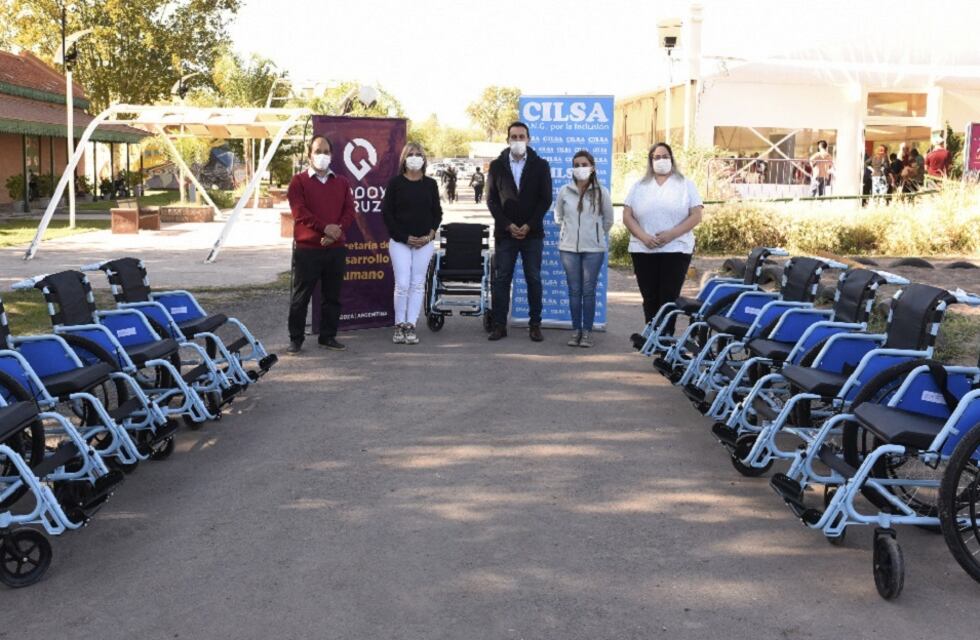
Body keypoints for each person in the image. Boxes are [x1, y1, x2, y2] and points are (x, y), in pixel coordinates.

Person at [285, 135, 355, 354]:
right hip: (308, 251)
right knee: (301, 297)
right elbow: (299, 212)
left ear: (332, 155)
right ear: (309, 155)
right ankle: (296, 339)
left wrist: (336, 232)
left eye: (326, 151)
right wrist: (325, 228)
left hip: (335, 249)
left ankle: (328, 337)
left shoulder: (342, 182)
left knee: (332, 297)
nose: (322, 155)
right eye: (317, 151)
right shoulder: (298, 182)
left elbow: (349, 211)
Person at [622, 142, 703, 329]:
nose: (661, 160)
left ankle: (665, 337)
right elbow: (627, 216)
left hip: (676, 249)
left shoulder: (685, 184)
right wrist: (643, 237)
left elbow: (696, 215)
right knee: (649, 296)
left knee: (668, 297)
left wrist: (671, 234)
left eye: (665, 156)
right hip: (643, 249)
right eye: (657, 157)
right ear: (650, 161)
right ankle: (651, 334)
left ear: (672, 159)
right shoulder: (639, 186)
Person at [486, 121, 553, 342]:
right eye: (513, 137)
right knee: (502, 279)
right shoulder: (496, 166)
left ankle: (535, 325)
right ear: (507, 140)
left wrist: (529, 225)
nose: (517, 140)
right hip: (505, 234)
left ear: (528, 139)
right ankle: (499, 325)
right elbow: (492, 200)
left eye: (521, 136)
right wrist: (507, 225)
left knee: (533, 278)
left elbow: (545, 199)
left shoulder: (541, 165)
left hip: (532, 234)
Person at [381, 142, 443, 345]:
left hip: (424, 243)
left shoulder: (430, 184)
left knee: (417, 284)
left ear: (424, 159)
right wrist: (405, 237)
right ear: (404, 159)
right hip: (400, 242)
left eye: (418, 154)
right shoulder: (395, 183)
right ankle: (399, 325)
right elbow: (387, 214)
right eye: (411, 154)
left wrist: (430, 235)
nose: (414, 158)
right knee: (402, 284)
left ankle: (411, 325)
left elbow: (437, 213)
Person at [554, 150, 614, 348]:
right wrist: (567, 232)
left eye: (584, 164)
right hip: (568, 249)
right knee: (574, 291)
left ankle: (587, 332)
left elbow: (608, 220)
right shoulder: (564, 191)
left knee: (588, 291)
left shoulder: (602, 192)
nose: (580, 168)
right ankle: (575, 330)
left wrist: (595, 234)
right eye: (576, 165)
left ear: (592, 168)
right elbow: (558, 217)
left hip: (593, 250)